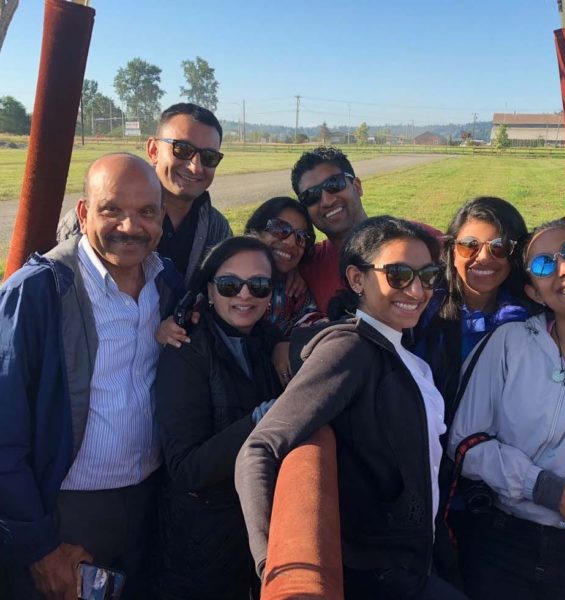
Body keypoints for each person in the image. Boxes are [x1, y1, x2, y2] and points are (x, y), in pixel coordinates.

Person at [236, 216, 467, 600]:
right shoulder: (350, 349)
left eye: (427, 275)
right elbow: (259, 449)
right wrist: (276, 572)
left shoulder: (400, 351)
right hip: (375, 575)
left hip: (415, 559)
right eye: (397, 274)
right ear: (358, 280)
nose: (416, 289)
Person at [0, 153, 184, 599]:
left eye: (145, 212)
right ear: (83, 213)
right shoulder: (38, 292)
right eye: (112, 210)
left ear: (161, 216)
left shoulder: (168, 283)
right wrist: (37, 546)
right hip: (62, 511)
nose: (130, 226)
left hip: (145, 500)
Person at [448, 217, 565, 600]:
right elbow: (465, 443)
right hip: (501, 540)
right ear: (534, 292)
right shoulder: (509, 343)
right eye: (545, 264)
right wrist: (552, 491)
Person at [155, 236, 282, 600]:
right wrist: (261, 422)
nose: (244, 295)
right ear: (209, 291)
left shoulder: (268, 341)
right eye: (229, 285)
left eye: (258, 285)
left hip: (248, 533)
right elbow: (186, 468)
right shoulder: (185, 348)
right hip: (200, 544)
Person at [57, 103, 232, 284]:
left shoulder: (217, 230)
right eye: (183, 150)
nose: (195, 167)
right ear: (153, 150)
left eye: (209, 157)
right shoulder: (89, 219)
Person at [411, 196, 530, 421]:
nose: (484, 258)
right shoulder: (421, 307)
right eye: (469, 246)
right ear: (451, 251)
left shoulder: (528, 320)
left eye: (499, 247)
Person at [291, 146, 442, 312]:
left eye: (334, 184)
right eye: (310, 196)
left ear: (357, 186)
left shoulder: (425, 240)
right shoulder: (308, 265)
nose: (327, 201)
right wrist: (291, 271)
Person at [245, 196, 324, 336]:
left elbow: (315, 327)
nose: (291, 242)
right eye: (280, 228)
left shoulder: (294, 293)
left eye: (302, 236)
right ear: (255, 232)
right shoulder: (222, 275)